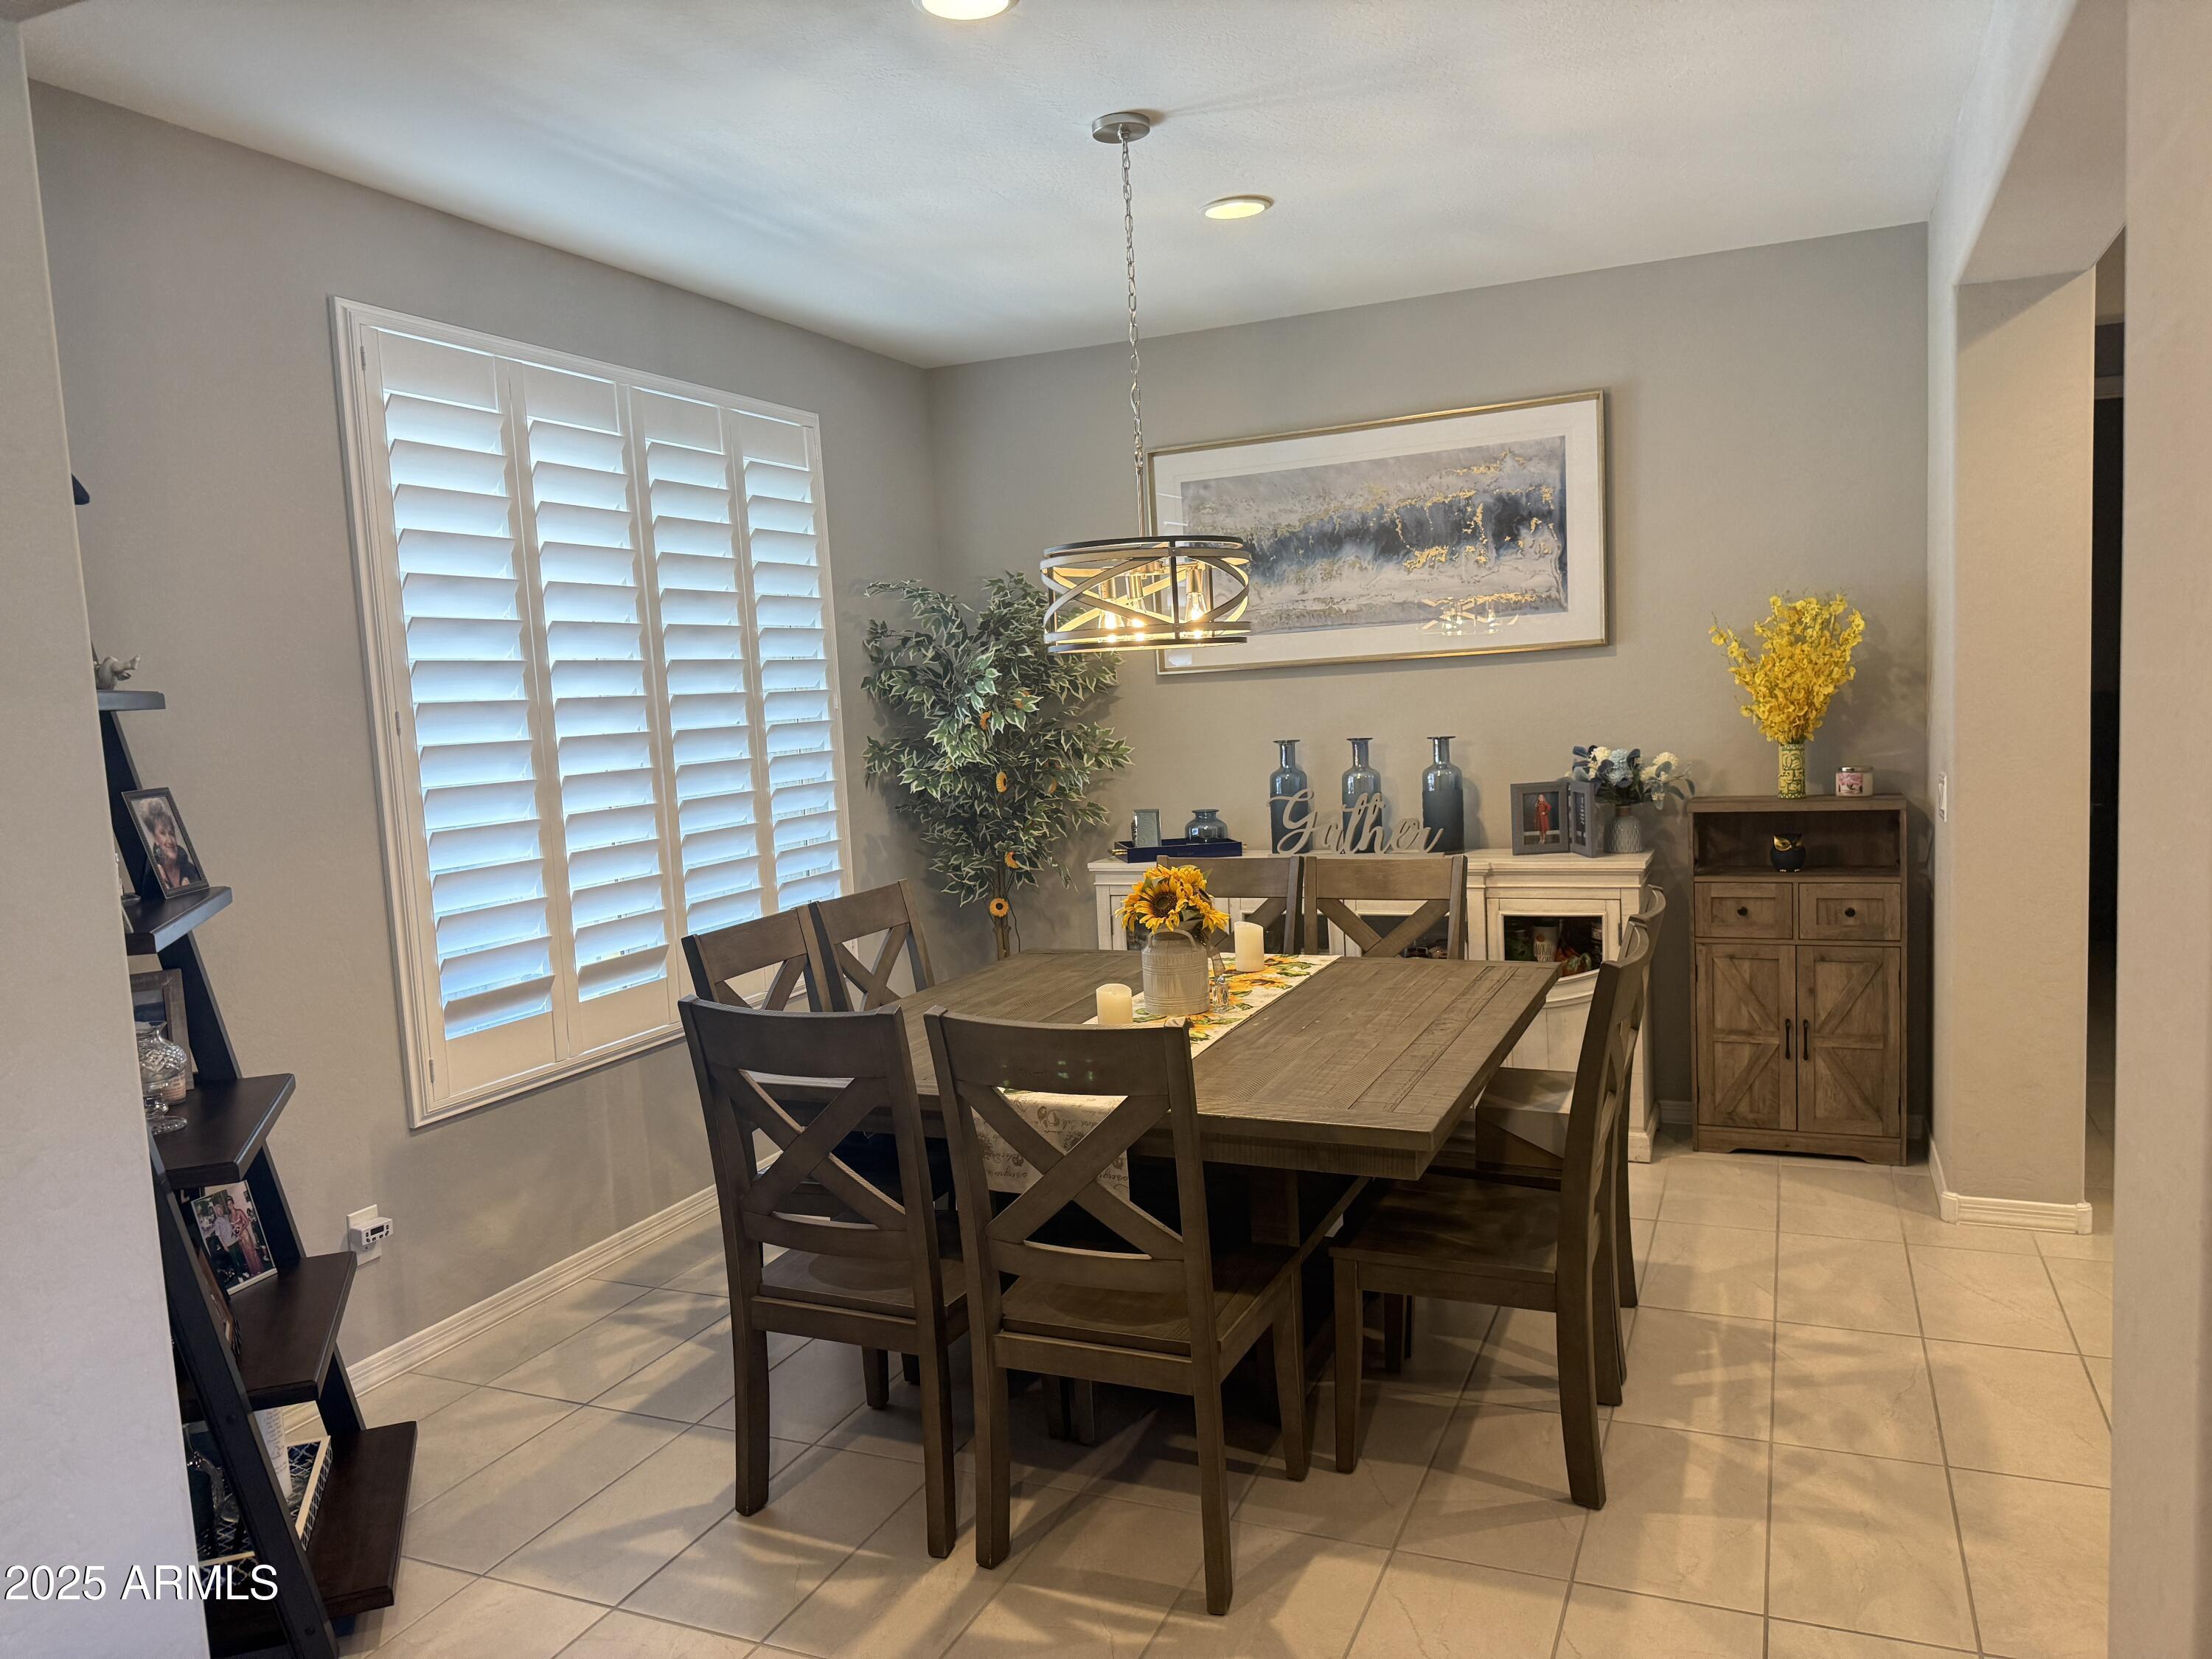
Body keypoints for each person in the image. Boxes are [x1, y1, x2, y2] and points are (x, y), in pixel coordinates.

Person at [139, 796, 204, 892]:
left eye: (171, 833)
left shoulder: (190, 870)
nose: (170, 840)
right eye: (163, 833)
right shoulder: (152, 876)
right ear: (155, 838)